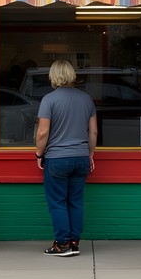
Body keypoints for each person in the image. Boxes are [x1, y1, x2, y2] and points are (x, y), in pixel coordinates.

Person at [35, 60, 97, 257]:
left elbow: (43, 132)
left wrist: (39, 154)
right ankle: (74, 242)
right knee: (76, 201)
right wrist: (90, 154)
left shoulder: (49, 100)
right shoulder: (86, 99)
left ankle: (62, 244)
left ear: (53, 75)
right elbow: (93, 131)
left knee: (58, 202)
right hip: (80, 158)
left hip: (57, 158)